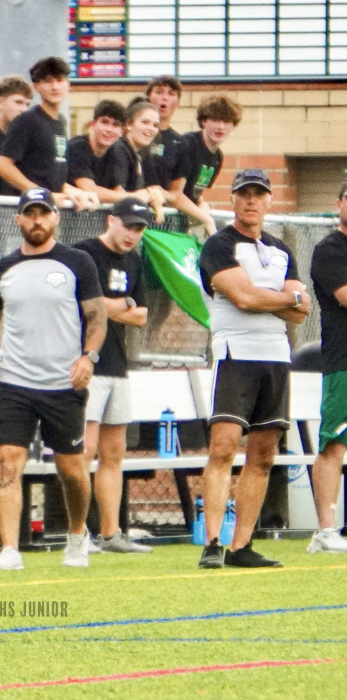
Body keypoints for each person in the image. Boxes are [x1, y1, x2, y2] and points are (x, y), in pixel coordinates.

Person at [0, 187, 106, 571]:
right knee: (6, 461)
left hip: (64, 382)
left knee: (70, 470)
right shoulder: (1, 269)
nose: (37, 220)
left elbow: (97, 318)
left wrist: (89, 357)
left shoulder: (77, 262)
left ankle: (78, 534)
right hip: (15, 382)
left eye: (44, 213)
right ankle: (10, 549)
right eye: (30, 214)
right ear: (18, 219)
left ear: (55, 217)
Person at [196, 168, 311, 569]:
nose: (251, 201)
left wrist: (281, 299)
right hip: (234, 353)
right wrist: (283, 297)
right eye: (244, 193)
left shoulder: (281, 250)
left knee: (263, 454)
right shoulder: (219, 245)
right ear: (233, 199)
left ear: (268, 200)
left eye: (258, 194)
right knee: (224, 447)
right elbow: (242, 298)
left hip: (276, 356)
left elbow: (303, 310)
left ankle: (241, 545)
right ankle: (212, 541)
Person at [72, 197, 152, 554]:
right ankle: (78, 534)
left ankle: (111, 533)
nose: (132, 235)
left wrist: (110, 307)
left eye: (139, 229)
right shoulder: (83, 254)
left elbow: (142, 315)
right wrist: (123, 306)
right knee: (83, 452)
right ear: (111, 221)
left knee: (114, 453)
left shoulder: (135, 260)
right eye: (129, 226)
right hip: (87, 363)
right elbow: (82, 304)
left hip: (118, 365)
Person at [304, 182, 347, 554]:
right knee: (334, 444)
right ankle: (325, 530)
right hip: (344, 362)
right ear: (338, 204)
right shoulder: (330, 249)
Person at [0, 57, 97, 210]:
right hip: (26, 212)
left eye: (60, 80)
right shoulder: (27, 120)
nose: (55, 87)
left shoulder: (61, 122)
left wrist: (77, 192)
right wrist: (40, 194)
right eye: (48, 81)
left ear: (68, 84)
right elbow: (2, 165)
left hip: (50, 212)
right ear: (36, 87)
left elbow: (50, 176)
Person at [161, 94, 242, 235]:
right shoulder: (187, 145)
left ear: (233, 125)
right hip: (161, 217)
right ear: (204, 121)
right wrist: (206, 219)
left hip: (179, 222)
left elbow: (193, 192)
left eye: (227, 121)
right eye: (216, 120)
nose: (221, 127)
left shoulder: (217, 157)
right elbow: (175, 193)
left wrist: (201, 204)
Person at [65, 100, 126, 202]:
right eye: (104, 122)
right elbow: (90, 191)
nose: (109, 129)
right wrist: (134, 197)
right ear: (92, 124)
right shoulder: (77, 147)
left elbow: (117, 189)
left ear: (122, 132)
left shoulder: (113, 152)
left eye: (115, 125)